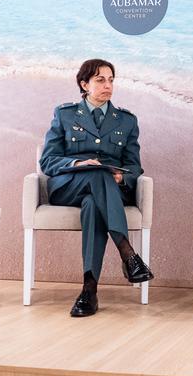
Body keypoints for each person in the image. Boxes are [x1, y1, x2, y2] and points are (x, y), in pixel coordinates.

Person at [39, 58, 153, 317]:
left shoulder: (126, 121)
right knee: (97, 171)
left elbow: (134, 166)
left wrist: (121, 179)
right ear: (84, 84)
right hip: (69, 186)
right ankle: (127, 252)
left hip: (108, 190)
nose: (107, 85)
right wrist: (79, 163)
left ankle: (89, 290)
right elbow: (48, 161)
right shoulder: (65, 114)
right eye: (100, 80)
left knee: (93, 203)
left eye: (111, 80)